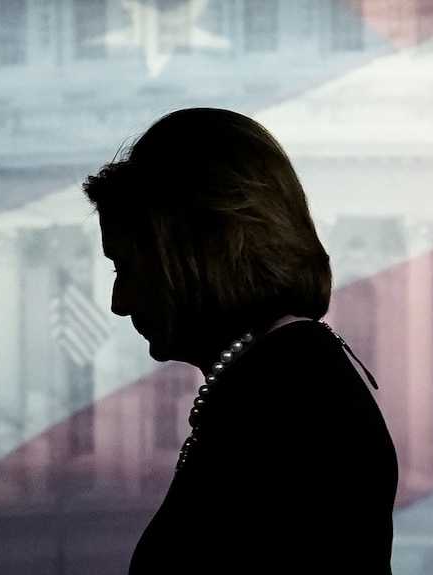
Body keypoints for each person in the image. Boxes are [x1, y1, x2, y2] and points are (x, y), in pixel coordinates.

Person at [83, 108, 398, 574]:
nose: (119, 302)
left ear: (197, 252)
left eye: (126, 268)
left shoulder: (291, 403)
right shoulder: (275, 381)